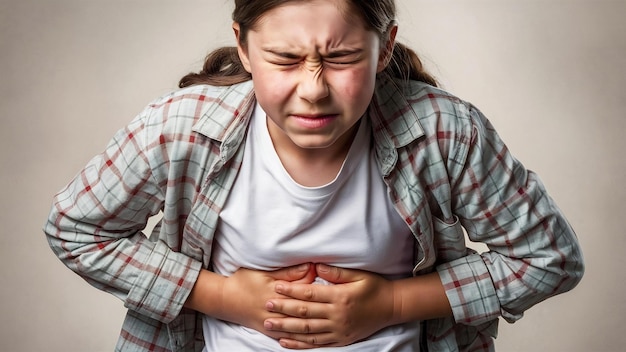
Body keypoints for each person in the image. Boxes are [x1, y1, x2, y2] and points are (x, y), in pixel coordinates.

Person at [44, 0, 584, 351]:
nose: (313, 88)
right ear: (243, 46)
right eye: (283, 59)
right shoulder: (180, 126)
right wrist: (220, 296)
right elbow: (74, 228)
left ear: (385, 47)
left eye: (343, 57)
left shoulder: (445, 131)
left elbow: (550, 258)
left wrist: (394, 304)